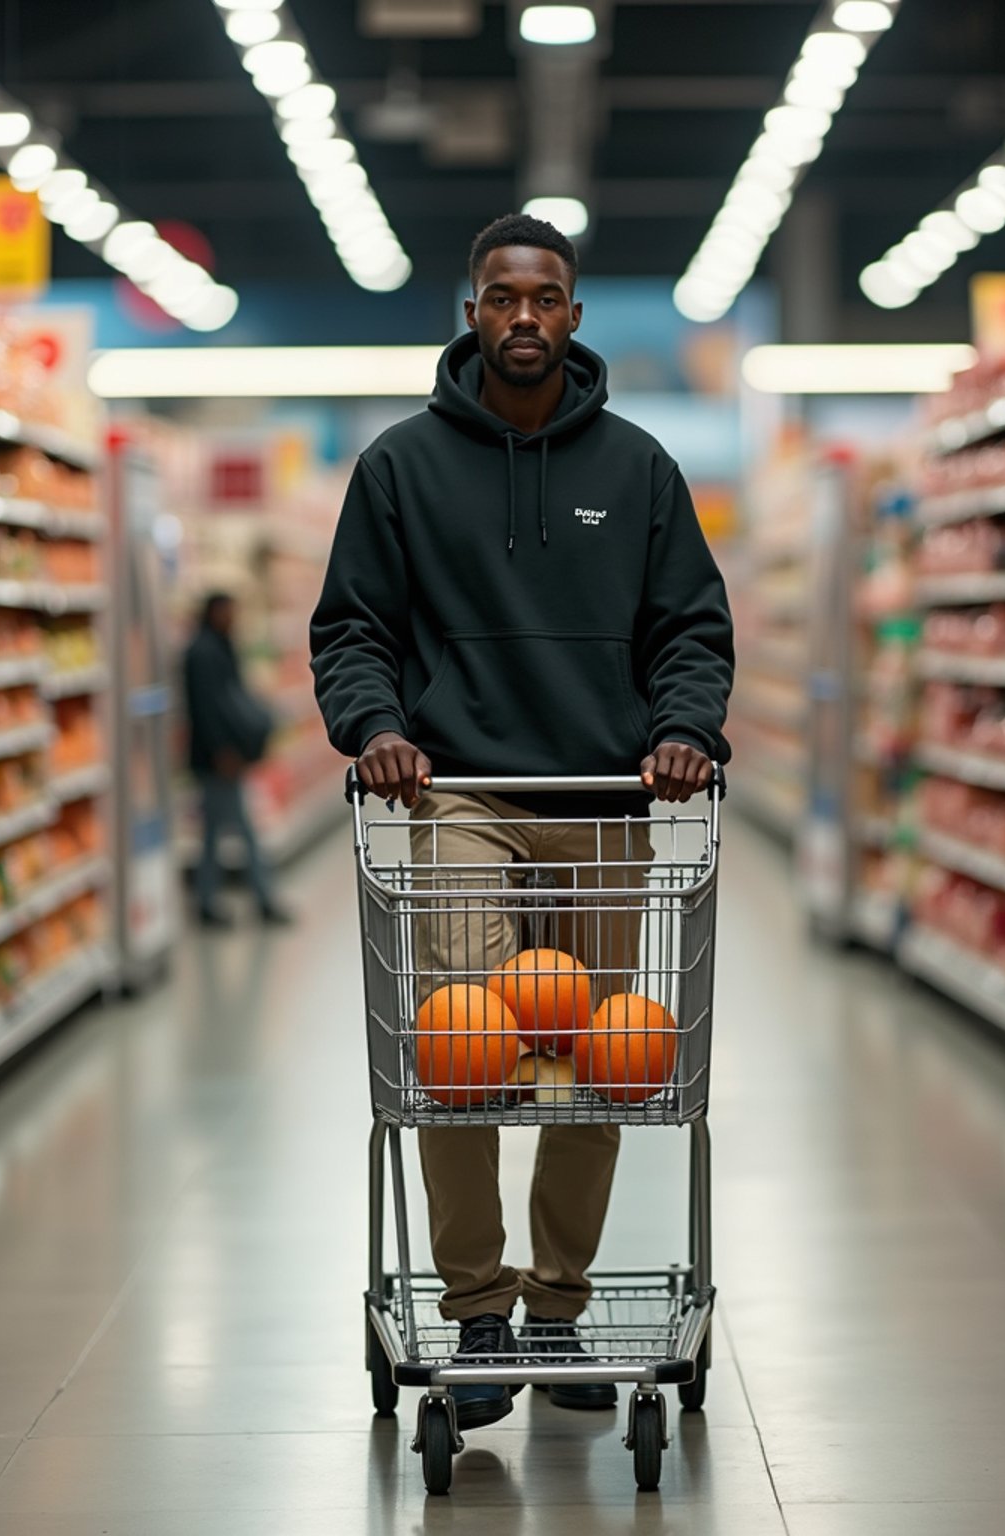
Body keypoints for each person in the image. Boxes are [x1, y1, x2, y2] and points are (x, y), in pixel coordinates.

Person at [310, 214, 733, 1429]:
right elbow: (352, 629)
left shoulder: (640, 468)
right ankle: (479, 1300)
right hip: (460, 801)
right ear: (472, 311)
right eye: (502, 298)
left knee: (603, 1071)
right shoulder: (400, 465)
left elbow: (691, 631)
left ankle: (558, 1301)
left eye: (544, 299)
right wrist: (374, 725)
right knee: (461, 1054)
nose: (524, 319)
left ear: (575, 315)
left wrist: (685, 730)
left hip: (606, 799)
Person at [183, 592, 292, 928]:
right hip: (218, 758)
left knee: (216, 833)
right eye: (228, 612)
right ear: (213, 612)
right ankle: (262, 900)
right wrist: (222, 751)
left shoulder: (218, 646)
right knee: (242, 830)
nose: (233, 618)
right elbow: (205, 710)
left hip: (222, 756)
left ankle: (208, 901)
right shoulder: (203, 653)